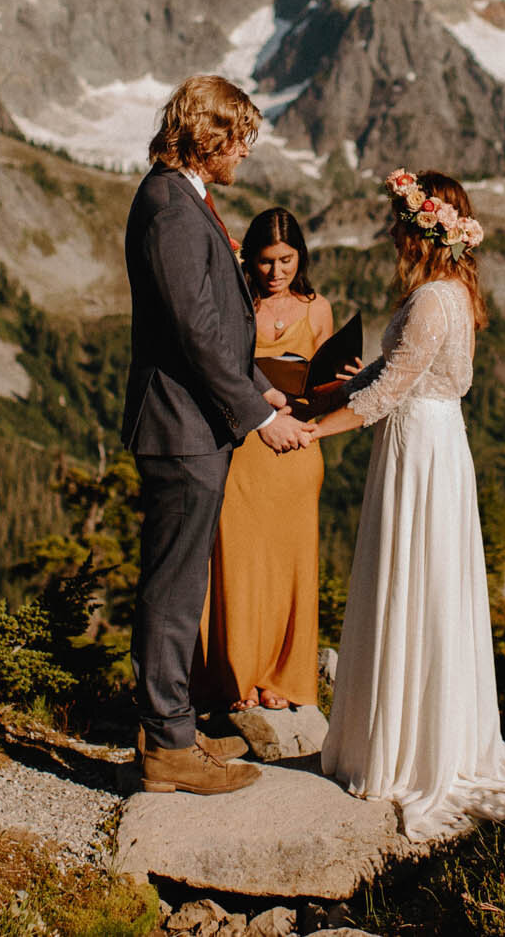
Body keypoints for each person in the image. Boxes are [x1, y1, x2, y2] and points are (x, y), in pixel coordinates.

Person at [313, 169, 505, 838]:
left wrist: (312, 428)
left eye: (400, 220)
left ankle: (401, 750)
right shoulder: (453, 293)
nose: (393, 230)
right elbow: (404, 372)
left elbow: (386, 396)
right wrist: (355, 378)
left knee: (409, 584)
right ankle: (418, 734)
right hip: (437, 445)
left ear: (420, 229)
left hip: (417, 450)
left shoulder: (429, 299)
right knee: (426, 590)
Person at [123, 76, 317, 795]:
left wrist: (258, 384)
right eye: (239, 138)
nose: (245, 152)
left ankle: (169, 727)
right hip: (180, 424)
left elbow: (208, 325)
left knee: (180, 579)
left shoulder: (183, 197)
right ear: (209, 135)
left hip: (194, 419)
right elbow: (193, 328)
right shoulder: (170, 204)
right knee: (174, 586)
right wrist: (261, 414)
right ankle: (167, 745)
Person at [200, 208, 336, 714]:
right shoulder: (234, 304)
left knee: (290, 563)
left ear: (300, 256)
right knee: (239, 562)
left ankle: (284, 677)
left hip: (298, 448)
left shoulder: (318, 308)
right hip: (243, 447)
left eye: (286, 260)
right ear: (248, 261)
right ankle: (235, 678)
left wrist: (343, 381)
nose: (276, 272)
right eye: (264, 261)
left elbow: (327, 386)